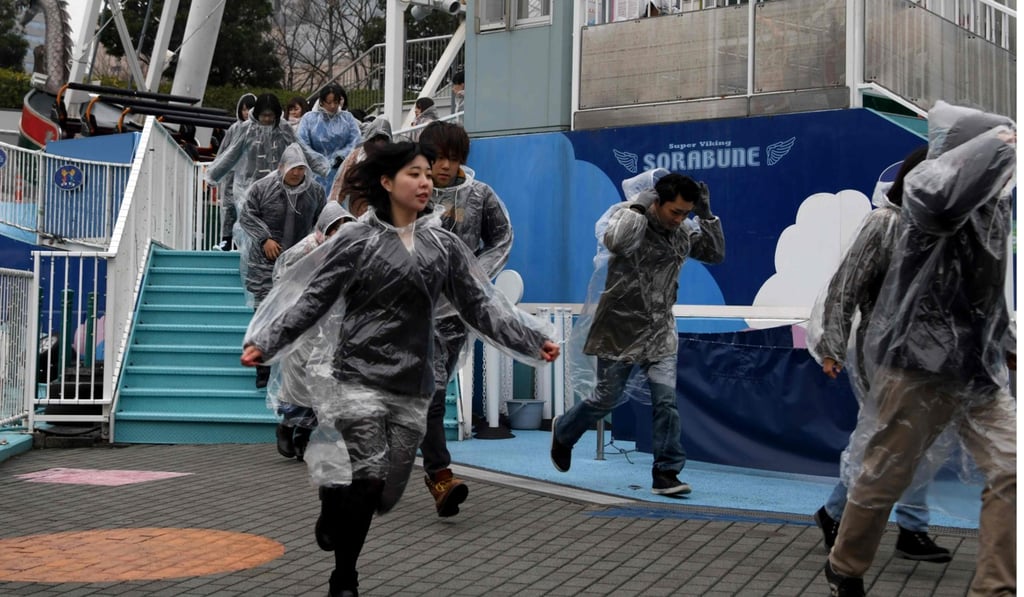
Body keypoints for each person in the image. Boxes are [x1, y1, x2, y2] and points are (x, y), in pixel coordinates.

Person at [240, 141, 560, 597]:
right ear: (387, 182)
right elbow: (313, 299)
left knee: (385, 492)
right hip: (356, 378)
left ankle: (333, 493)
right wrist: (267, 341)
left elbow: (481, 306)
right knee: (370, 479)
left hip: (413, 382)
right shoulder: (355, 241)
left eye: (428, 173)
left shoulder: (443, 246)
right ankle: (344, 577)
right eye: (415, 173)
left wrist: (531, 340)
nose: (426, 181)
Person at [823, 101, 1016, 597]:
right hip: (916, 366)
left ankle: (995, 588)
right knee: (883, 475)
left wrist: (1006, 347)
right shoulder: (925, 193)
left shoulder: (994, 212)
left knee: (1013, 469)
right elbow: (847, 285)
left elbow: (988, 296)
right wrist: (999, 141)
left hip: (977, 370)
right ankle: (845, 565)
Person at [807, 146, 953, 564]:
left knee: (920, 438)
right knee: (885, 437)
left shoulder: (945, 228)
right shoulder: (884, 223)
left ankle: (907, 526)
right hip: (884, 351)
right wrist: (832, 346)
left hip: (932, 352)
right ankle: (845, 515)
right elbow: (846, 286)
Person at [551, 169, 724, 496]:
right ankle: (564, 431)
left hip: (660, 332)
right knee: (606, 399)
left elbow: (715, 254)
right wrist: (638, 207)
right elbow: (617, 241)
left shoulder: (682, 231)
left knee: (666, 403)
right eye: (675, 212)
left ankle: (666, 472)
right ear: (658, 201)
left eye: (686, 213)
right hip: (620, 328)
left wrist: (706, 217)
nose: (680, 219)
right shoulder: (630, 217)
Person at [416, 121, 514, 517]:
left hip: (455, 313)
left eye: (453, 158)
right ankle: (440, 475)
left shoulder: (480, 195)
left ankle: (419, 461)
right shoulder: (409, 190)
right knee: (430, 391)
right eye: (438, 157)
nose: (445, 166)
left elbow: (502, 238)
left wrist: (472, 275)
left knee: (432, 391)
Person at [269, 202, 356, 461]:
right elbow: (282, 276)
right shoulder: (306, 249)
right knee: (298, 378)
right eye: (336, 228)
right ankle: (287, 427)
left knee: (322, 380)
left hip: (329, 325)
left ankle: (305, 435)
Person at [238, 143, 327, 388]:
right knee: (265, 312)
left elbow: (322, 222)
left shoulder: (315, 192)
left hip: (299, 262)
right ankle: (262, 369)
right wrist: (264, 238)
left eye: (301, 168)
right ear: (281, 167)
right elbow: (247, 215)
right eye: (292, 168)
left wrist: (316, 246)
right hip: (265, 262)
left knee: (295, 313)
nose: (297, 173)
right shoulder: (262, 188)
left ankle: (292, 369)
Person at [206, 93, 330, 228]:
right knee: (251, 226)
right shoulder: (247, 129)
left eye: (270, 115)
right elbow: (231, 154)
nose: (267, 119)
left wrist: (320, 167)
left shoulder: (283, 128)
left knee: (275, 226)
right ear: (257, 114)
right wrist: (214, 174)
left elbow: (301, 149)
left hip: (277, 187)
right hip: (249, 187)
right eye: (263, 115)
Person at [297, 83, 362, 194]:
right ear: (322, 102)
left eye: (335, 102)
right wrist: (319, 161)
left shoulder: (347, 118)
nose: (332, 106)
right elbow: (302, 143)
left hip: (342, 168)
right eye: (329, 102)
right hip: (316, 172)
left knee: (339, 198)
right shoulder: (309, 119)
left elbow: (355, 140)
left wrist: (342, 156)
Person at [211, 92, 256, 251]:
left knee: (247, 208)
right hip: (231, 175)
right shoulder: (234, 129)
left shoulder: (258, 129)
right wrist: (215, 172)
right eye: (243, 109)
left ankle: (243, 243)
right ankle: (226, 240)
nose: (246, 112)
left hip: (250, 176)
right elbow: (223, 151)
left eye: (249, 108)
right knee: (229, 208)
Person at [328, 118, 393, 206]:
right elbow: (340, 183)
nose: (379, 142)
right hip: (358, 204)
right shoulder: (356, 156)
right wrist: (334, 206)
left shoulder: (392, 158)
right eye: (375, 138)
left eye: (383, 138)